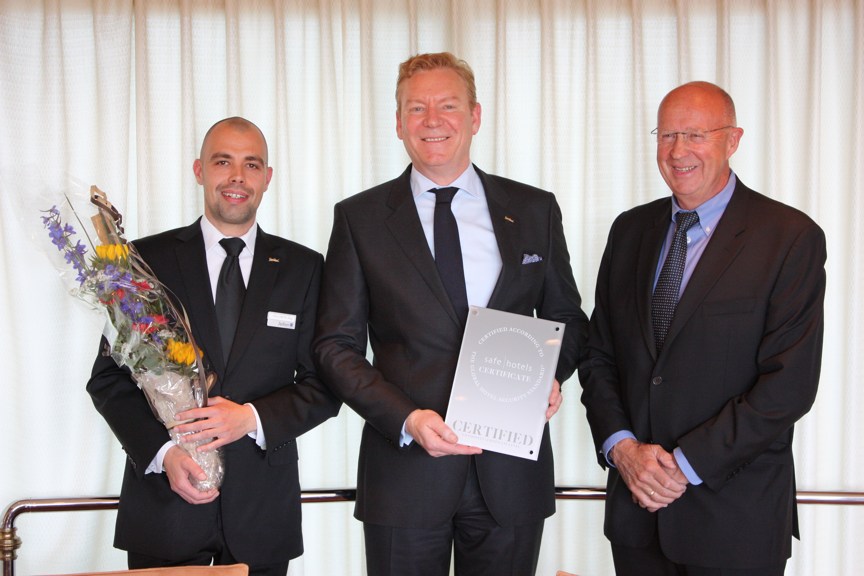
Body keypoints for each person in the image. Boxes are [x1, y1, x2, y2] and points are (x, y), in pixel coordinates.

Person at [313, 52, 588, 576]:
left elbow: (569, 319)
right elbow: (335, 347)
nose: (432, 120)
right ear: (398, 123)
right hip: (404, 474)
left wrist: (550, 375)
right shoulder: (359, 219)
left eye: (448, 106)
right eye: (416, 108)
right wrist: (407, 419)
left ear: (475, 116)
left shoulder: (535, 209)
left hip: (511, 474)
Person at [579, 81, 826, 575]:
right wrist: (622, 449)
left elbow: (788, 386)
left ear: (733, 140)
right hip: (637, 514)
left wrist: (683, 466)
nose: (678, 151)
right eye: (667, 135)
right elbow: (599, 354)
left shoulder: (789, 237)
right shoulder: (629, 230)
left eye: (695, 135)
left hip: (736, 520)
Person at [87, 117, 341, 575]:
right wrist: (164, 455)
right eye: (223, 162)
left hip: (262, 511)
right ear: (199, 170)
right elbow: (108, 380)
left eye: (251, 164)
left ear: (267, 177)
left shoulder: (304, 268)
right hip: (165, 507)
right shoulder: (145, 261)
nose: (237, 177)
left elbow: (324, 385)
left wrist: (251, 418)